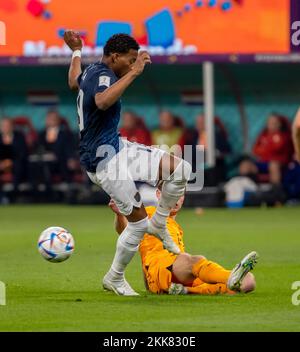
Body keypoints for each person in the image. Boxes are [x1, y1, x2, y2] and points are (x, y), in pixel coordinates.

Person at [64, 31, 192, 296]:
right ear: (115, 57)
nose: (133, 64)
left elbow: (73, 83)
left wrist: (76, 51)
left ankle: (160, 221)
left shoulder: (92, 71)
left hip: (117, 147)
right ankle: (115, 278)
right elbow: (102, 101)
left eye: (135, 60)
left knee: (181, 169)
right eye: (130, 59)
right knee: (137, 224)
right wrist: (135, 73)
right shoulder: (103, 75)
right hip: (103, 160)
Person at [109, 187, 258, 295]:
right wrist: (119, 215)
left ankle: (187, 291)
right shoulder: (149, 213)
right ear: (158, 194)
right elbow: (124, 231)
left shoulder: (177, 229)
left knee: (249, 281)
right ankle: (231, 277)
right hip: (160, 269)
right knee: (193, 260)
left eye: (180, 195)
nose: (176, 199)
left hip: (174, 274)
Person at [252, 114, 293, 185]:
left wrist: (264, 149)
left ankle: (276, 189)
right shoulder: (263, 135)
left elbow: (277, 149)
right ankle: (251, 188)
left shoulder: (283, 136)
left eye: (274, 123)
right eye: (269, 122)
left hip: (280, 163)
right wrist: (266, 150)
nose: (271, 125)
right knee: (246, 166)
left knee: (273, 165)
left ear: (280, 124)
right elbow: (255, 150)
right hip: (263, 161)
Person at [0, 118, 28, 191]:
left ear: (12, 126)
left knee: (19, 167)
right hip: (1, 165)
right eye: (3, 126)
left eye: (7, 125)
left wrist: (11, 162)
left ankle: (14, 193)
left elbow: (23, 153)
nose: (5, 127)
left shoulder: (20, 137)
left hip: (15, 164)